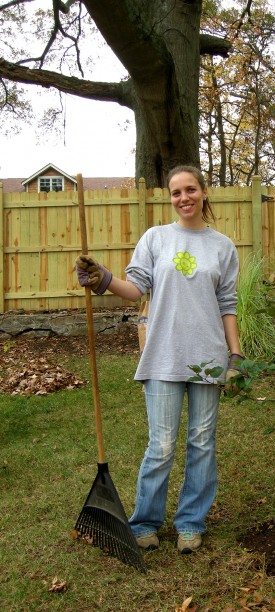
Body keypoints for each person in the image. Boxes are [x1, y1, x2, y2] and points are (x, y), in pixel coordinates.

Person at [76, 165, 244, 554]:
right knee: (162, 445)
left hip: (208, 357)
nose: (183, 198)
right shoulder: (156, 239)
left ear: (204, 192)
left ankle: (190, 522)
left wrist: (235, 355)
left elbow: (228, 304)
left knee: (202, 443)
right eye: (175, 192)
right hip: (164, 356)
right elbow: (135, 290)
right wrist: (101, 278)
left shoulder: (222, 246)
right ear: (169, 198)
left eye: (190, 190)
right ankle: (146, 522)